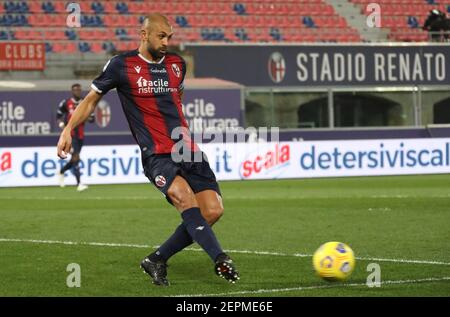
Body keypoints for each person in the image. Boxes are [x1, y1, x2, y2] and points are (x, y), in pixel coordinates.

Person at [56, 13, 239, 286]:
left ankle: (156, 259)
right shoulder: (121, 65)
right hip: (156, 153)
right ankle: (220, 258)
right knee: (183, 197)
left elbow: (177, 97)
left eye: (169, 37)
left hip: (187, 149)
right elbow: (91, 99)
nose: (166, 42)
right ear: (144, 34)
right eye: (161, 36)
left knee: (213, 211)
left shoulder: (177, 65)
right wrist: (68, 128)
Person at [56, 83, 93, 191]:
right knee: (76, 157)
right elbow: (58, 115)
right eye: (75, 90)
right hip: (70, 135)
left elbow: (92, 118)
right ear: (72, 91)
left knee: (74, 158)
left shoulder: (85, 102)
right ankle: (79, 184)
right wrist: (61, 124)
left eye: (79, 90)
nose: (77, 91)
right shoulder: (66, 103)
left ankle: (61, 171)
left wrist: (88, 118)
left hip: (80, 135)